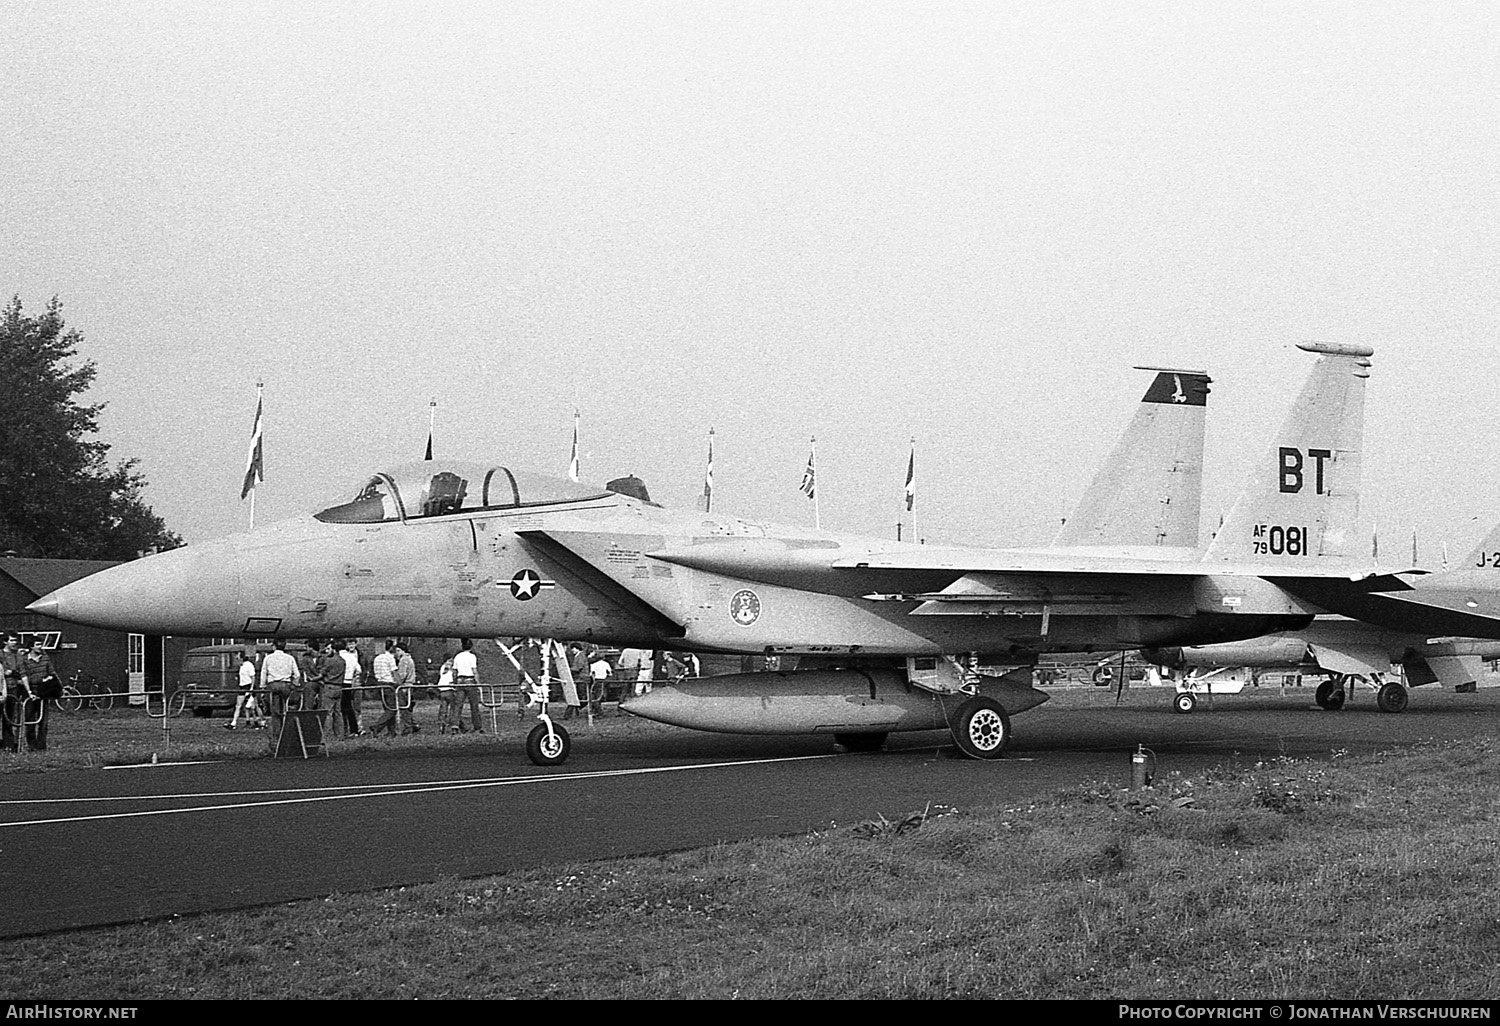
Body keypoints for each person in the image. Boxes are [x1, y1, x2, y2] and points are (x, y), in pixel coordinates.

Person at [259, 638, 302, 751]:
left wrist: (262, 686)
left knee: (275, 713)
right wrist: (294, 685)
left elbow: (264, 672)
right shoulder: (290, 658)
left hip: (273, 685)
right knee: (287, 711)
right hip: (286, 685)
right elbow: (297, 674)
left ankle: (276, 737)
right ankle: (288, 735)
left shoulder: (268, 658)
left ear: (274, 646)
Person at [21, 638, 57, 751]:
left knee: (44, 721)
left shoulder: (45, 658)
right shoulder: (25, 660)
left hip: (43, 692)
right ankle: (32, 745)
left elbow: (52, 672)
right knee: (30, 720)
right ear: (31, 646)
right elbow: (24, 675)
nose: (40, 647)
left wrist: (48, 679)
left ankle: (42, 746)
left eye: (41, 644)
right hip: (31, 692)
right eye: (37, 644)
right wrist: (30, 690)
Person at [1, 634, 29, 753]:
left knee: (10, 716)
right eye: (12, 640)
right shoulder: (0, 654)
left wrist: (28, 690)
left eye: (15, 640)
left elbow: (22, 673)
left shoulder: (18, 656)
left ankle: (9, 744)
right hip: (1, 687)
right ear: (5, 642)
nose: (14, 643)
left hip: (12, 688)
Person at [366, 640, 400, 737]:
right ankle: (377, 726)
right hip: (388, 684)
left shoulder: (377, 658)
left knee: (387, 708)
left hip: (379, 683)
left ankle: (391, 731)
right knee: (392, 709)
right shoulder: (389, 658)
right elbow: (394, 672)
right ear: (390, 648)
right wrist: (399, 682)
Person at [227, 650, 265, 730]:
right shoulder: (242, 666)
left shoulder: (249, 665)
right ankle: (234, 722)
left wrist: (251, 689)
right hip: (242, 687)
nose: (236, 659)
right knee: (239, 705)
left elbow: (253, 677)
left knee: (255, 706)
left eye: (237, 657)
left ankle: (262, 721)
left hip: (249, 686)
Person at [452, 638, 482, 733]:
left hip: (460, 681)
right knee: (474, 705)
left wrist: (455, 681)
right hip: (470, 680)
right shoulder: (472, 657)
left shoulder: (457, 656)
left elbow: (454, 671)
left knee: (458, 705)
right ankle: (477, 726)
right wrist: (478, 684)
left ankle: (455, 726)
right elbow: (474, 671)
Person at [317, 641, 346, 736]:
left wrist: (312, 678)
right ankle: (340, 734)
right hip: (339, 687)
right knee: (338, 712)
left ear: (333, 649)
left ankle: (327, 734)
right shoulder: (342, 661)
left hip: (329, 686)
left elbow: (321, 674)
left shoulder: (330, 660)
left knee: (328, 712)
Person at [392, 641, 421, 735]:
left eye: (398, 650)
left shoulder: (403, 660)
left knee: (404, 707)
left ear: (403, 651)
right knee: (407, 707)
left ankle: (408, 726)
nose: (397, 652)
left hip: (405, 685)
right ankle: (414, 724)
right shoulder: (409, 658)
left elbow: (402, 674)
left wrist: (396, 680)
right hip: (410, 684)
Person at [339, 639, 365, 735]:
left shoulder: (339, 656)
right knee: (349, 707)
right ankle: (354, 729)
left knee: (344, 707)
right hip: (350, 681)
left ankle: (348, 729)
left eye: (352, 643)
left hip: (343, 682)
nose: (351, 645)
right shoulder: (351, 657)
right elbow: (359, 669)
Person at [435, 655, 460, 733]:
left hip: (442, 690)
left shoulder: (442, 667)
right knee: (454, 709)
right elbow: (453, 677)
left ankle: (441, 726)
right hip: (450, 689)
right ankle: (454, 726)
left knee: (443, 709)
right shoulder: (452, 669)